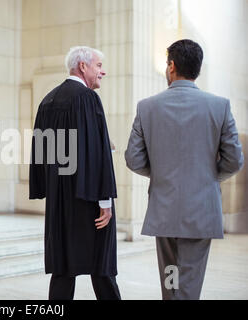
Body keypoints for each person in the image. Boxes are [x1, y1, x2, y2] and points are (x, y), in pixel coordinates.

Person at [125, 39, 244, 300]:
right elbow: (234, 160)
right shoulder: (219, 106)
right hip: (201, 209)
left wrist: (161, 173)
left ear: (172, 66)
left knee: (170, 278)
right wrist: (210, 175)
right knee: (189, 280)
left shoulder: (147, 107)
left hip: (164, 210)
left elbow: (133, 159)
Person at [29, 46, 121, 300]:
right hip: (89, 198)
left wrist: (48, 188)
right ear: (83, 66)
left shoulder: (47, 100)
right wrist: (105, 201)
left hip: (60, 201)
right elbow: (96, 153)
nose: (103, 71)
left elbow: (41, 153)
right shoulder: (87, 98)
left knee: (63, 268)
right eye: (99, 65)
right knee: (102, 269)